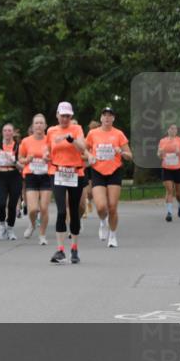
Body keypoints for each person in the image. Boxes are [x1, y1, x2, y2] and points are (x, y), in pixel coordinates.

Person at [46, 102, 88, 264]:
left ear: (71, 116)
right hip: (57, 172)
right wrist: (45, 155)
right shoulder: (51, 131)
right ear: (57, 115)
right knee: (62, 211)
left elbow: (83, 148)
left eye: (68, 116)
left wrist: (72, 140)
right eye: (62, 115)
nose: (65, 118)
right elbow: (48, 150)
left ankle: (75, 248)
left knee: (74, 210)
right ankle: (60, 250)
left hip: (75, 173)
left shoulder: (76, 129)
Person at [86, 107, 133, 247]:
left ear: (113, 119)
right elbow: (82, 148)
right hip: (98, 172)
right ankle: (102, 222)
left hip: (114, 172)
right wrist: (89, 156)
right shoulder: (92, 133)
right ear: (101, 118)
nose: (107, 118)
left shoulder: (119, 134)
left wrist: (122, 152)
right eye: (104, 115)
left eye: (110, 116)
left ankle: (112, 235)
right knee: (101, 207)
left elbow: (130, 156)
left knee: (112, 207)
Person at [19, 114, 53, 246]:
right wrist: (27, 160)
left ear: (45, 126)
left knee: (44, 208)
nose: (39, 125)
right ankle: (32, 224)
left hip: (46, 175)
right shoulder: (26, 141)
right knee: (33, 209)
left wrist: (48, 159)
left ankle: (42, 235)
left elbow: (56, 157)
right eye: (36, 123)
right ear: (32, 126)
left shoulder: (50, 141)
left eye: (41, 123)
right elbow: (20, 158)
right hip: (31, 175)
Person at [0, 124, 22, 240]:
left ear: (13, 133)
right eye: (5, 130)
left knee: (12, 205)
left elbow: (22, 166)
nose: (7, 133)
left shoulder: (18, 146)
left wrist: (15, 162)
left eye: (9, 131)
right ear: (2, 132)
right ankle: (2, 226)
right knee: (1, 203)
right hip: (1, 176)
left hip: (14, 176)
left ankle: (10, 229)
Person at [158, 124, 180, 221]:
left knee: (178, 194)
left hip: (178, 169)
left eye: (175, 128)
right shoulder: (162, 141)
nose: (173, 130)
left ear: (177, 131)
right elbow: (159, 154)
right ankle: (169, 213)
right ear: (167, 130)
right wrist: (160, 153)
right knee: (169, 190)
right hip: (167, 168)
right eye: (171, 128)